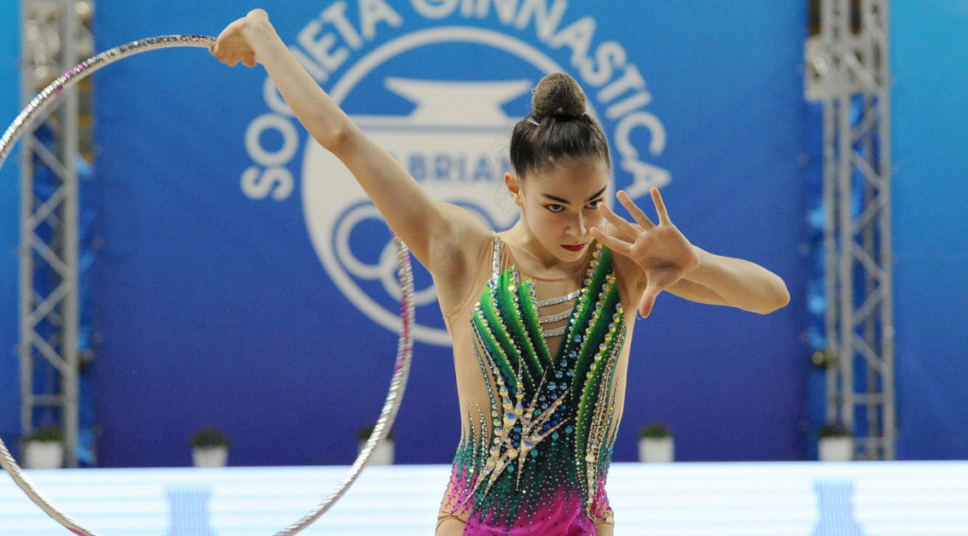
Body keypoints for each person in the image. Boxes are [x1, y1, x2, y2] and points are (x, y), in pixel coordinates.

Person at [211, 9, 790, 535]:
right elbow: (344, 139)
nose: (578, 226)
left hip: (583, 525)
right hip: (477, 524)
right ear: (515, 188)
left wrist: (696, 262)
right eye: (556, 207)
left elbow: (772, 297)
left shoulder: (626, 260)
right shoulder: (464, 253)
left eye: (593, 202)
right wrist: (264, 40)